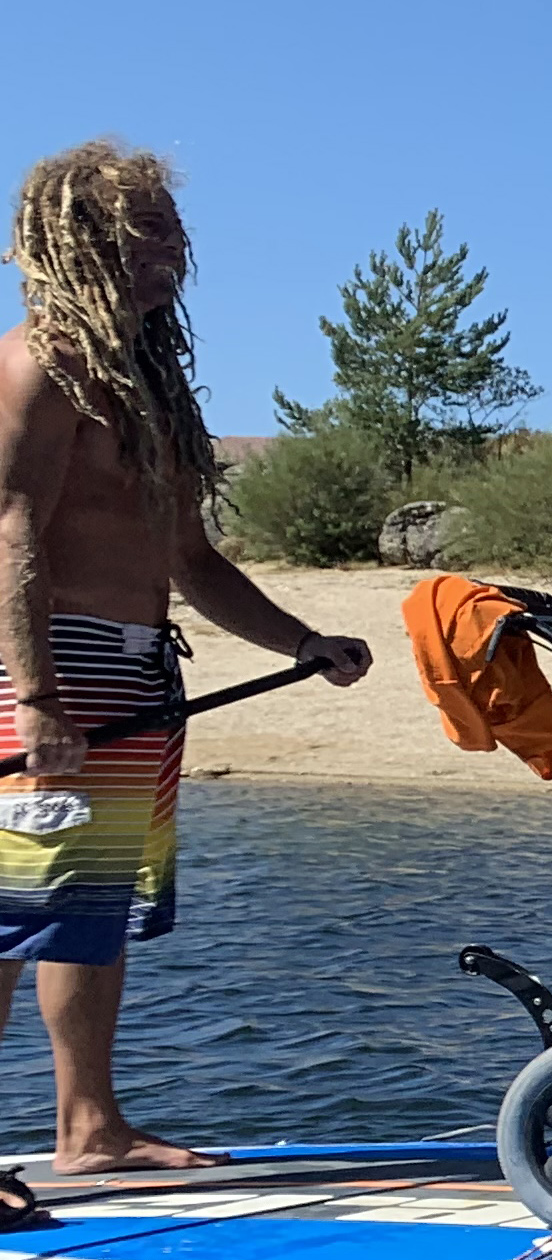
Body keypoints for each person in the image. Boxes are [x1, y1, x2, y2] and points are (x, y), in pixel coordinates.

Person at [0, 141, 372, 1185]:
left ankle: (90, 1129)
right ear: (81, 240)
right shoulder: (39, 365)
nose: (172, 250)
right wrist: (35, 699)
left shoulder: (146, 386)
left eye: (170, 228)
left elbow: (192, 561)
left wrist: (301, 641)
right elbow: (12, 532)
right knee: (11, 906)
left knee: (86, 906)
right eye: (145, 231)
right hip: (46, 674)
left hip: (134, 677)